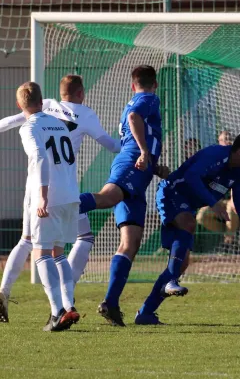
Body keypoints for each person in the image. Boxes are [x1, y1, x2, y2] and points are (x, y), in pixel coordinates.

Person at [0, 75, 120, 323]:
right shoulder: (66, 119)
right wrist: (136, 147)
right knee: (61, 248)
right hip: (70, 190)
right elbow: (109, 143)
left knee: (33, 244)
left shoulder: (37, 119)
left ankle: (48, 307)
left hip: (42, 190)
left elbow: (22, 134)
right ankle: (67, 303)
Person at [134, 132, 240, 325]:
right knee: (189, 223)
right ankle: (170, 281)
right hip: (171, 192)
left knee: (181, 264)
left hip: (187, 204)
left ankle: (145, 313)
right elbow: (191, 176)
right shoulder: (215, 154)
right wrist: (212, 204)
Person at [77, 65, 168, 327]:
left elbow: (137, 126)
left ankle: (111, 303)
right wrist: (143, 152)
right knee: (108, 197)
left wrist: (154, 165)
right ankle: (67, 206)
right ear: (155, 84)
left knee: (131, 242)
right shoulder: (148, 98)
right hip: (132, 163)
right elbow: (134, 120)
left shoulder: (135, 100)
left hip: (140, 171)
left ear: (132, 84)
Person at [15, 81, 81, 331]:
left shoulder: (29, 127)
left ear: (19, 105)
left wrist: (42, 197)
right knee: (58, 253)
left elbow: (41, 156)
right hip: (69, 195)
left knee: (40, 254)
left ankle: (57, 313)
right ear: (41, 102)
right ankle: (69, 306)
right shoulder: (60, 124)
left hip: (49, 198)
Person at [195, 130, 240, 250]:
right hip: (218, 201)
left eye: (228, 139)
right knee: (202, 216)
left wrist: (234, 198)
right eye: (222, 140)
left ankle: (229, 243)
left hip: (236, 200)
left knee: (231, 208)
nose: (225, 142)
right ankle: (228, 235)